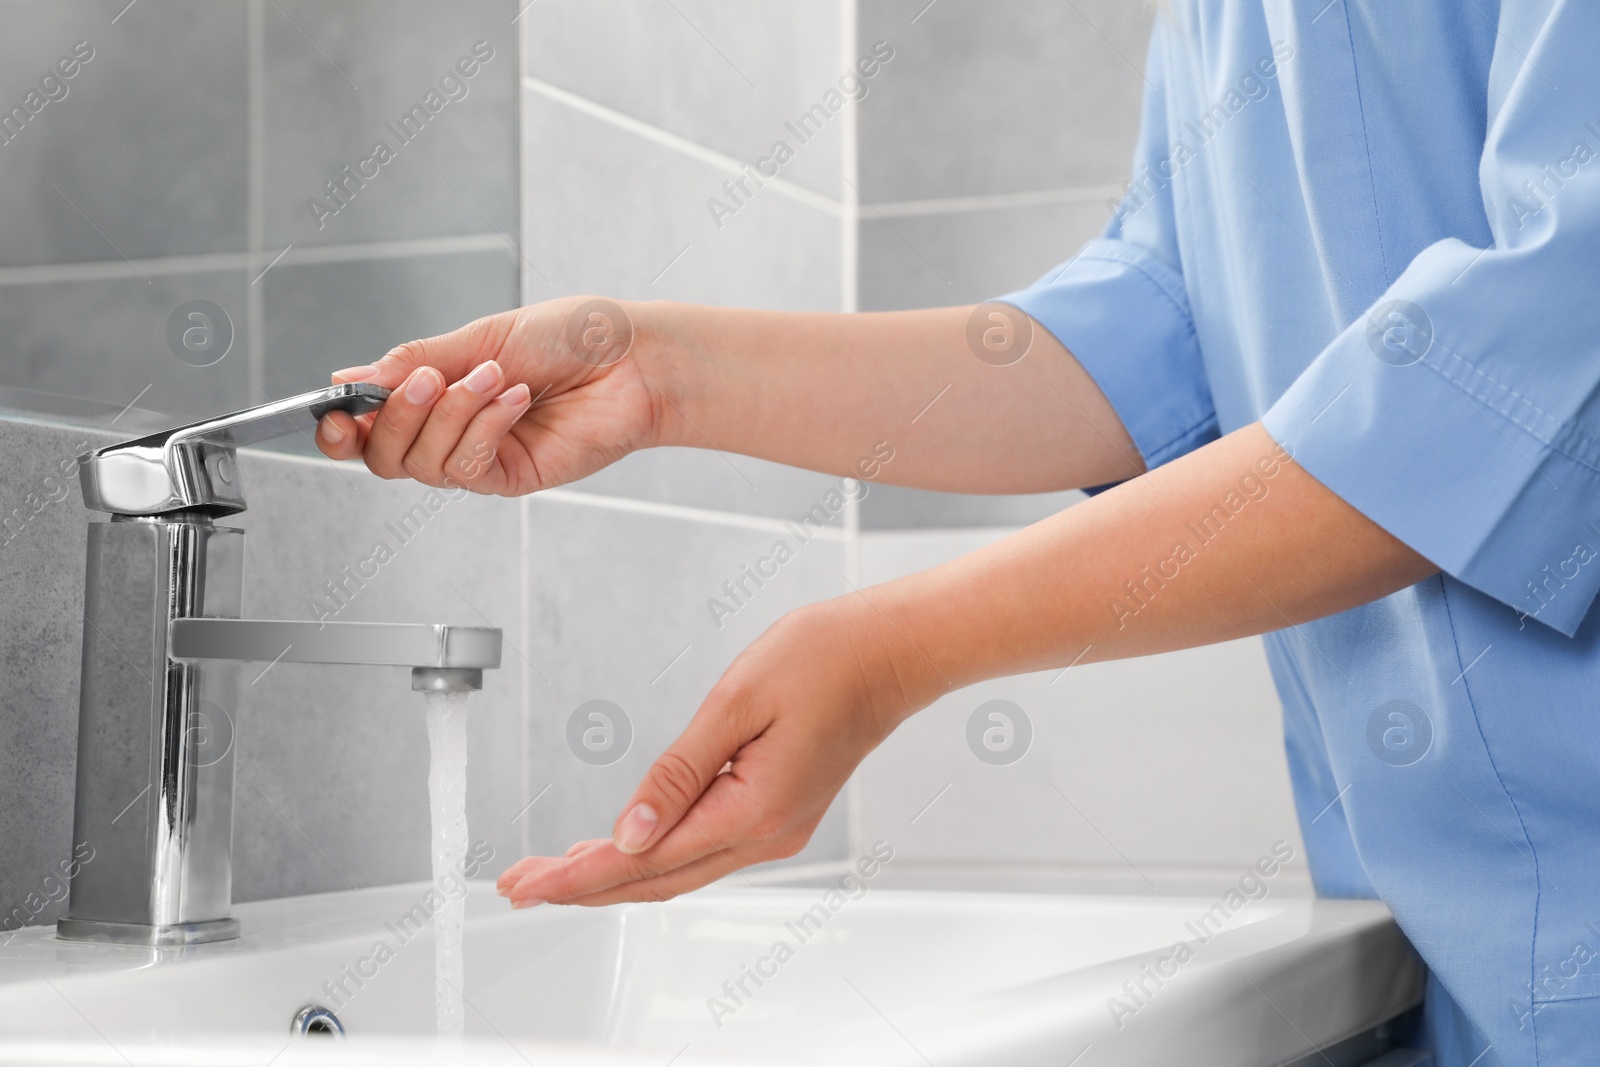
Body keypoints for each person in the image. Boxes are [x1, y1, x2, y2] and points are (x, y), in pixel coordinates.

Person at [317, 4, 1599, 1063]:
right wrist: (656, 371)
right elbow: (1153, 340)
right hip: (1470, 948)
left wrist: (896, 643)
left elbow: (1533, 359)